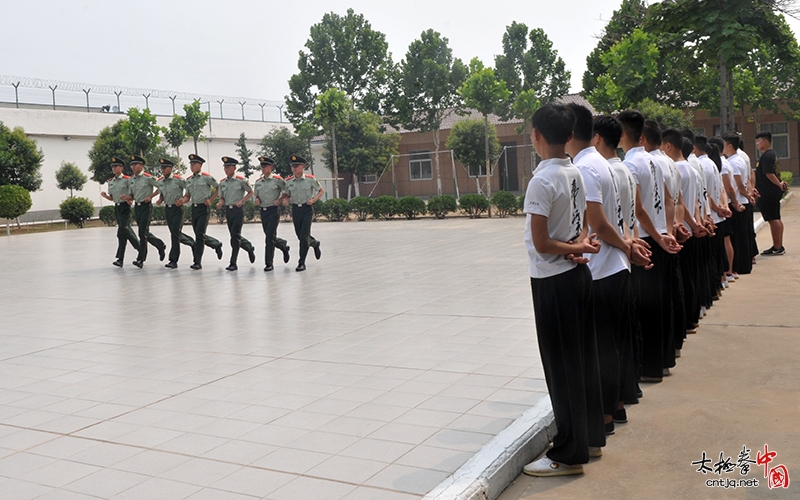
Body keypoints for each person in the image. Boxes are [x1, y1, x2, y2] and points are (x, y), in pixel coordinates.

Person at [521, 104, 604, 478]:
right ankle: (588, 438)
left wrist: (575, 248)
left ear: (537, 136)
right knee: (582, 362)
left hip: (554, 283)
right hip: (574, 277)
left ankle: (568, 455)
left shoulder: (542, 180)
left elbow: (541, 242)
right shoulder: (574, 172)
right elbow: (582, 228)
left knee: (562, 369)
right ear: (569, 136)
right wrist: (579, 247)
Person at [567, 105, 648, 436]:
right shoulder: (605, 164)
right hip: (617, 265)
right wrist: (628, 245)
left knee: (603, 347)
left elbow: (599, 222)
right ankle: (615, 407)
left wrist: (626, 246)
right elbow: (617, 219)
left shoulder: (586, 167)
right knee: (614, 343)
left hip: (603, 267)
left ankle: (603, 416)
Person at [618, 111, 680, 385]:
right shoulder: (655, 161)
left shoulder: (631, 164)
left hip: (644, 239)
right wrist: (666, 232)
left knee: (646, 308)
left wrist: (649, 236)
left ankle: (649, 366)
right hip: (658, 236)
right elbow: (668, 199)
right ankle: (664, 360)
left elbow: (637, 209)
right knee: (660, 304)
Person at [282, 155, 324, 272]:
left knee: (304, 235)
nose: (294, 168)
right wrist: (286, 200)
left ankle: (301, 262)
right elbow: (287, 194)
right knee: (299, 235)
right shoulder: (289, 181)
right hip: (296, 209)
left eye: (296, 166)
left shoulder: (310, 179)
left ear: (303, 166)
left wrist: (313, 200)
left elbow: (321, 191)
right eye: (292, 166)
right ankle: (314, 243)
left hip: (307, 209)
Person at [182, 154, 223, 270]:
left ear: (200, 165)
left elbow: (218, 187)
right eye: (191, 164)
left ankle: (197, 262)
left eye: (194, 164)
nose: (192, 166)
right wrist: (182, 201)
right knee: (199, 234)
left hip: (203, 209)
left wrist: (211, 200)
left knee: (199, 235)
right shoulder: (189, 180)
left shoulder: (206, 177)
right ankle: (216, 244)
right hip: (194, 209)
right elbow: (187, 196)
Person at [216, 156, 256, 271]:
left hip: (238, 210)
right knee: (234, 236)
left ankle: (233, 262)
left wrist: (242, 201)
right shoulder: (223, 182)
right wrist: (220, 203)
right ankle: (248, 247)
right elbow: (222, 197)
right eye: (225, 167)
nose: (226, 169)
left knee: (235, 236)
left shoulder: (241, 180)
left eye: (228, 167)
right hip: (228, 211)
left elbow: (250, 192)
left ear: (234, 167)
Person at [155, 158, 195, 269]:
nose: (162, 169)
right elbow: (162, 193)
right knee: (175, 233)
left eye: (165, 167)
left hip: (177, 209)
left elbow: (188, 190)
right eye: (161, 167)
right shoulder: (161, 181)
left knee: (174, 234)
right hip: (168, 209)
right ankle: (192, 243)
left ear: (171, 168)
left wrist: (183, 199)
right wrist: (160, 199)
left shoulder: (179, 180)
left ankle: (173, 260)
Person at [100, 157, 139, 267]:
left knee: (121, 232)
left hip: (125, 207)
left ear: (121, 167)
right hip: (117, 207)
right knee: (126, 232)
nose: (113, 168)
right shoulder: (111, 181)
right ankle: (141, 249)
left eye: (116, 166)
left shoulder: (127, 180)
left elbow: (133, 192)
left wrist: (129, 199)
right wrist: (106, 196)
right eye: (112, 166)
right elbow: (113, 198)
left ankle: (120, 258)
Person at [253, 157, 291, 271]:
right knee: (269, 236)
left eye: (265, 166)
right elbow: (256, 195)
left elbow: (287, 191)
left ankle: (269, 263)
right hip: (263, 211)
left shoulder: (277, 180)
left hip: (273, 211)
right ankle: (283, 245)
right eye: (262, 166)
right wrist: (257, 200)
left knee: (269, 237)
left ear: (271, 167)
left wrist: (280, 200)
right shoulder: (258, 182)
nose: (263, 168)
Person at [129, 154, 166, 268]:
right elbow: (132, 194)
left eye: (135, 164)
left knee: (142, 233)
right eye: (132, 165)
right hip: (137, 206)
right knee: (144, 232)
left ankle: (141, 259)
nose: (133, 167)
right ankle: (160, 245)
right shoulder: (131, 179)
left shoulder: (148, 177)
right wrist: (127, 198)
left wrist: (151, 196)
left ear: (141, 165)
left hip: (146, 206)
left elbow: (161, 186)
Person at [755, 131, 788, 255]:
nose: (757, 144)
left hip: (768, 192)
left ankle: (777, 247)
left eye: (759, 141)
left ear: (766, 142)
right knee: (776, 218)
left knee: (773, 219)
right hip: (772, 192)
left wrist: (778, 184)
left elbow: (769, 173)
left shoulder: (767, 156)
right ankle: (778, 245)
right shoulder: (771, 154)